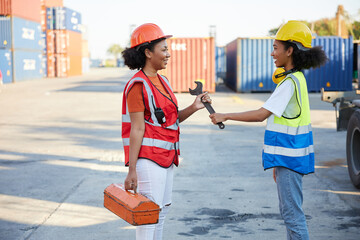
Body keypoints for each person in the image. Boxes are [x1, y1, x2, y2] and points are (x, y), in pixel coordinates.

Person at [210, 20, 327, 240]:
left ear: (290, 50)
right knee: (290, 212)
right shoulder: (297, 78)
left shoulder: (290, 82)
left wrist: (225, 115)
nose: (272, 53)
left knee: (293, 216)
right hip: (288, 159)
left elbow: (261, 114)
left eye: (275, 48)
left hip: (290, 160)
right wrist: (277, 163)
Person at [121, 23, 211, 240]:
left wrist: (194, 106)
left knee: (161, 213)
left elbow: (171, 120)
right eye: (163, 49)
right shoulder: (138, 85)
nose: (168, 54)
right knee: (148, 215)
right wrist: (132, 170)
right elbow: (137, 129)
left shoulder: (164, 81)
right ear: (147, 52)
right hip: (148, 160)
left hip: (167, 158)